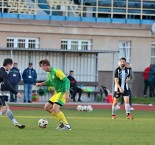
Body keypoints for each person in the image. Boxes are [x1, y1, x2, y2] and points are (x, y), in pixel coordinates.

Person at [36, 59, 71, 130]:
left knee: (55, 108)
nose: (42, 69)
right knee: (47, 107)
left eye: (42, 67)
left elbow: (67, 81)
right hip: (57, 93)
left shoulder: (56, 71)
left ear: (45, 65)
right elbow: (49, 82)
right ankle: (61, 122)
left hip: (63, 92)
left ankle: (67, 126)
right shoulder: (49, 73)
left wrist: (67, 94)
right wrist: (40, 84)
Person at [0, 58, 25, 129]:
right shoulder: (3, 72)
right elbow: (7, 85)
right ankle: (15, 122)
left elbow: (3, 85)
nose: (11, 67)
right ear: (8, 65)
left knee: (6, 107)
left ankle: (15, 122)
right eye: (10, 65)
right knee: (4, 108)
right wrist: (16, 92)